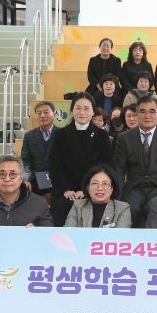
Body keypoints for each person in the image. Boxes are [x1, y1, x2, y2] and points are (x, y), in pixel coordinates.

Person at [48, 92, 114, 226]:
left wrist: (87, 189)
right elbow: (54, 165)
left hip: (93, 189)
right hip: (66, 190)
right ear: (72, 110)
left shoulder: (102, 136)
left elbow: (106, 166)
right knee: (62, 209)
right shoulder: (61, 134)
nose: (82, 112)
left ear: (93, 111)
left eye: (86, 108)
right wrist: (65, 189)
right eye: (78, 108)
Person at [114, 96, 157, 228]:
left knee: (153, 209)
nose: (147, 116)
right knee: (129, 210)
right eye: (142, 111)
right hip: (133, 188)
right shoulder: (124, 138)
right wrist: (117, 196)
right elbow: (119, 170)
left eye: (152, 111)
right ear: (137, 114)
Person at [0, 156, 53, 227]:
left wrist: (38, 230)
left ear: (21, 178)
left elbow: (48, 230)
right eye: (2, 174)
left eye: (13, 174)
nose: (7, 179)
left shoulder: (39, 204)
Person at [64, 164, 131, 228]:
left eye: (105, 184)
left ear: (112, 188)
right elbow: (69, 232)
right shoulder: (78, 206)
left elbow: (120, 234)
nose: (100, 188)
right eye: (95, 183)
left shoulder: (122, 208)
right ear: (88, 188)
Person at [20, 100, 59, 203]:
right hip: (35, 179)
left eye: (46, 112)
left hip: (57, 179)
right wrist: (26, 179)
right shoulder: (29, 136)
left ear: (54, 114)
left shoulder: (63, 134)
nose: (42, 115)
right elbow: (25, 160)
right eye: (39, 113)